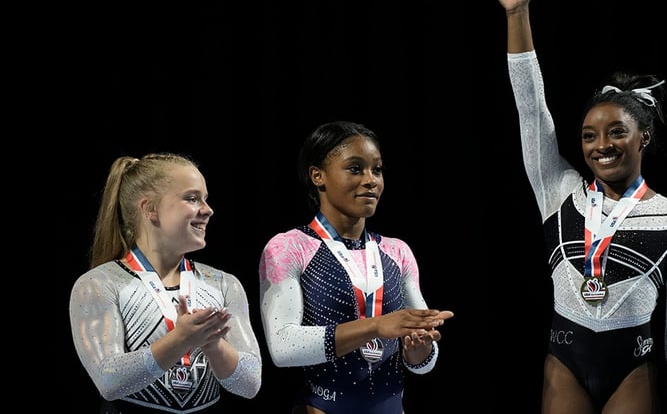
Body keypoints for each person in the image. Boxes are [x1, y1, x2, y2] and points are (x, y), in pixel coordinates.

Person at [473, 0, 667, 414]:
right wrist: (517, 15)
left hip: (631, 368)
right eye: (589, 135)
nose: (602, 146)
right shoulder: (557, 189)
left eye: (617, 132)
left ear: (644, 136)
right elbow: (531, 109)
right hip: (566, 361)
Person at [258, 120, 454, 414]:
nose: (371, 180)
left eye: (377, 169)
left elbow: (424, 362)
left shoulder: (397, 251)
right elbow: (282, 346)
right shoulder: (290, 247)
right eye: (355, 168)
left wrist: (420, 349)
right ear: (318, 175)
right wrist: (375, 325)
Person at [69, 153, 262, 413]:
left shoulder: (223, 285)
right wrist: (180, 340)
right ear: (150, 209)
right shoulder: (99, 284)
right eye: (192, 198)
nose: (207, 209)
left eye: (205, 199)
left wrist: (212, 344)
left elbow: (250, 384)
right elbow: (109, 380)